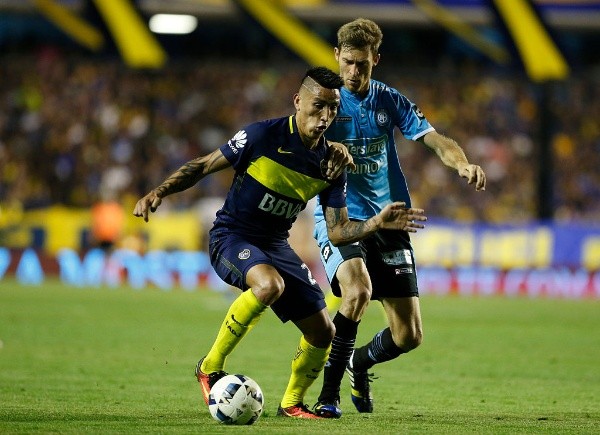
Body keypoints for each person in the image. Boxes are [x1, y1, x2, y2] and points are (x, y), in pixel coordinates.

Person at [133, 66, 427, 419]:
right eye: (318, 106)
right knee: (269, 284)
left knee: (324, 331)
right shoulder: (262, 136)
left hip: (275, 244)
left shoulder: (331, 164)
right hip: (232, 236)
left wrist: (377, 222)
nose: (325, 116)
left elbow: (337, 232)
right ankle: (209, 367)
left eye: (332, 109)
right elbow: (203, 165)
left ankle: (291, 403)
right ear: (297, 101)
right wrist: (158, 192)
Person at [312, 18, 487, 418]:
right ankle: (328, 396)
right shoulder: (325, 102)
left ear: (376, 59)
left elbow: (435, 138)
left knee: (408, 337)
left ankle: (360, 362)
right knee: (356, 292)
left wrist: (461, 164)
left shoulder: (389, 100)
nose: (354, 73)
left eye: (363, 65)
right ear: (337, 56)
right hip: (339, 217)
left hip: (390, 219)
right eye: (349, 63)